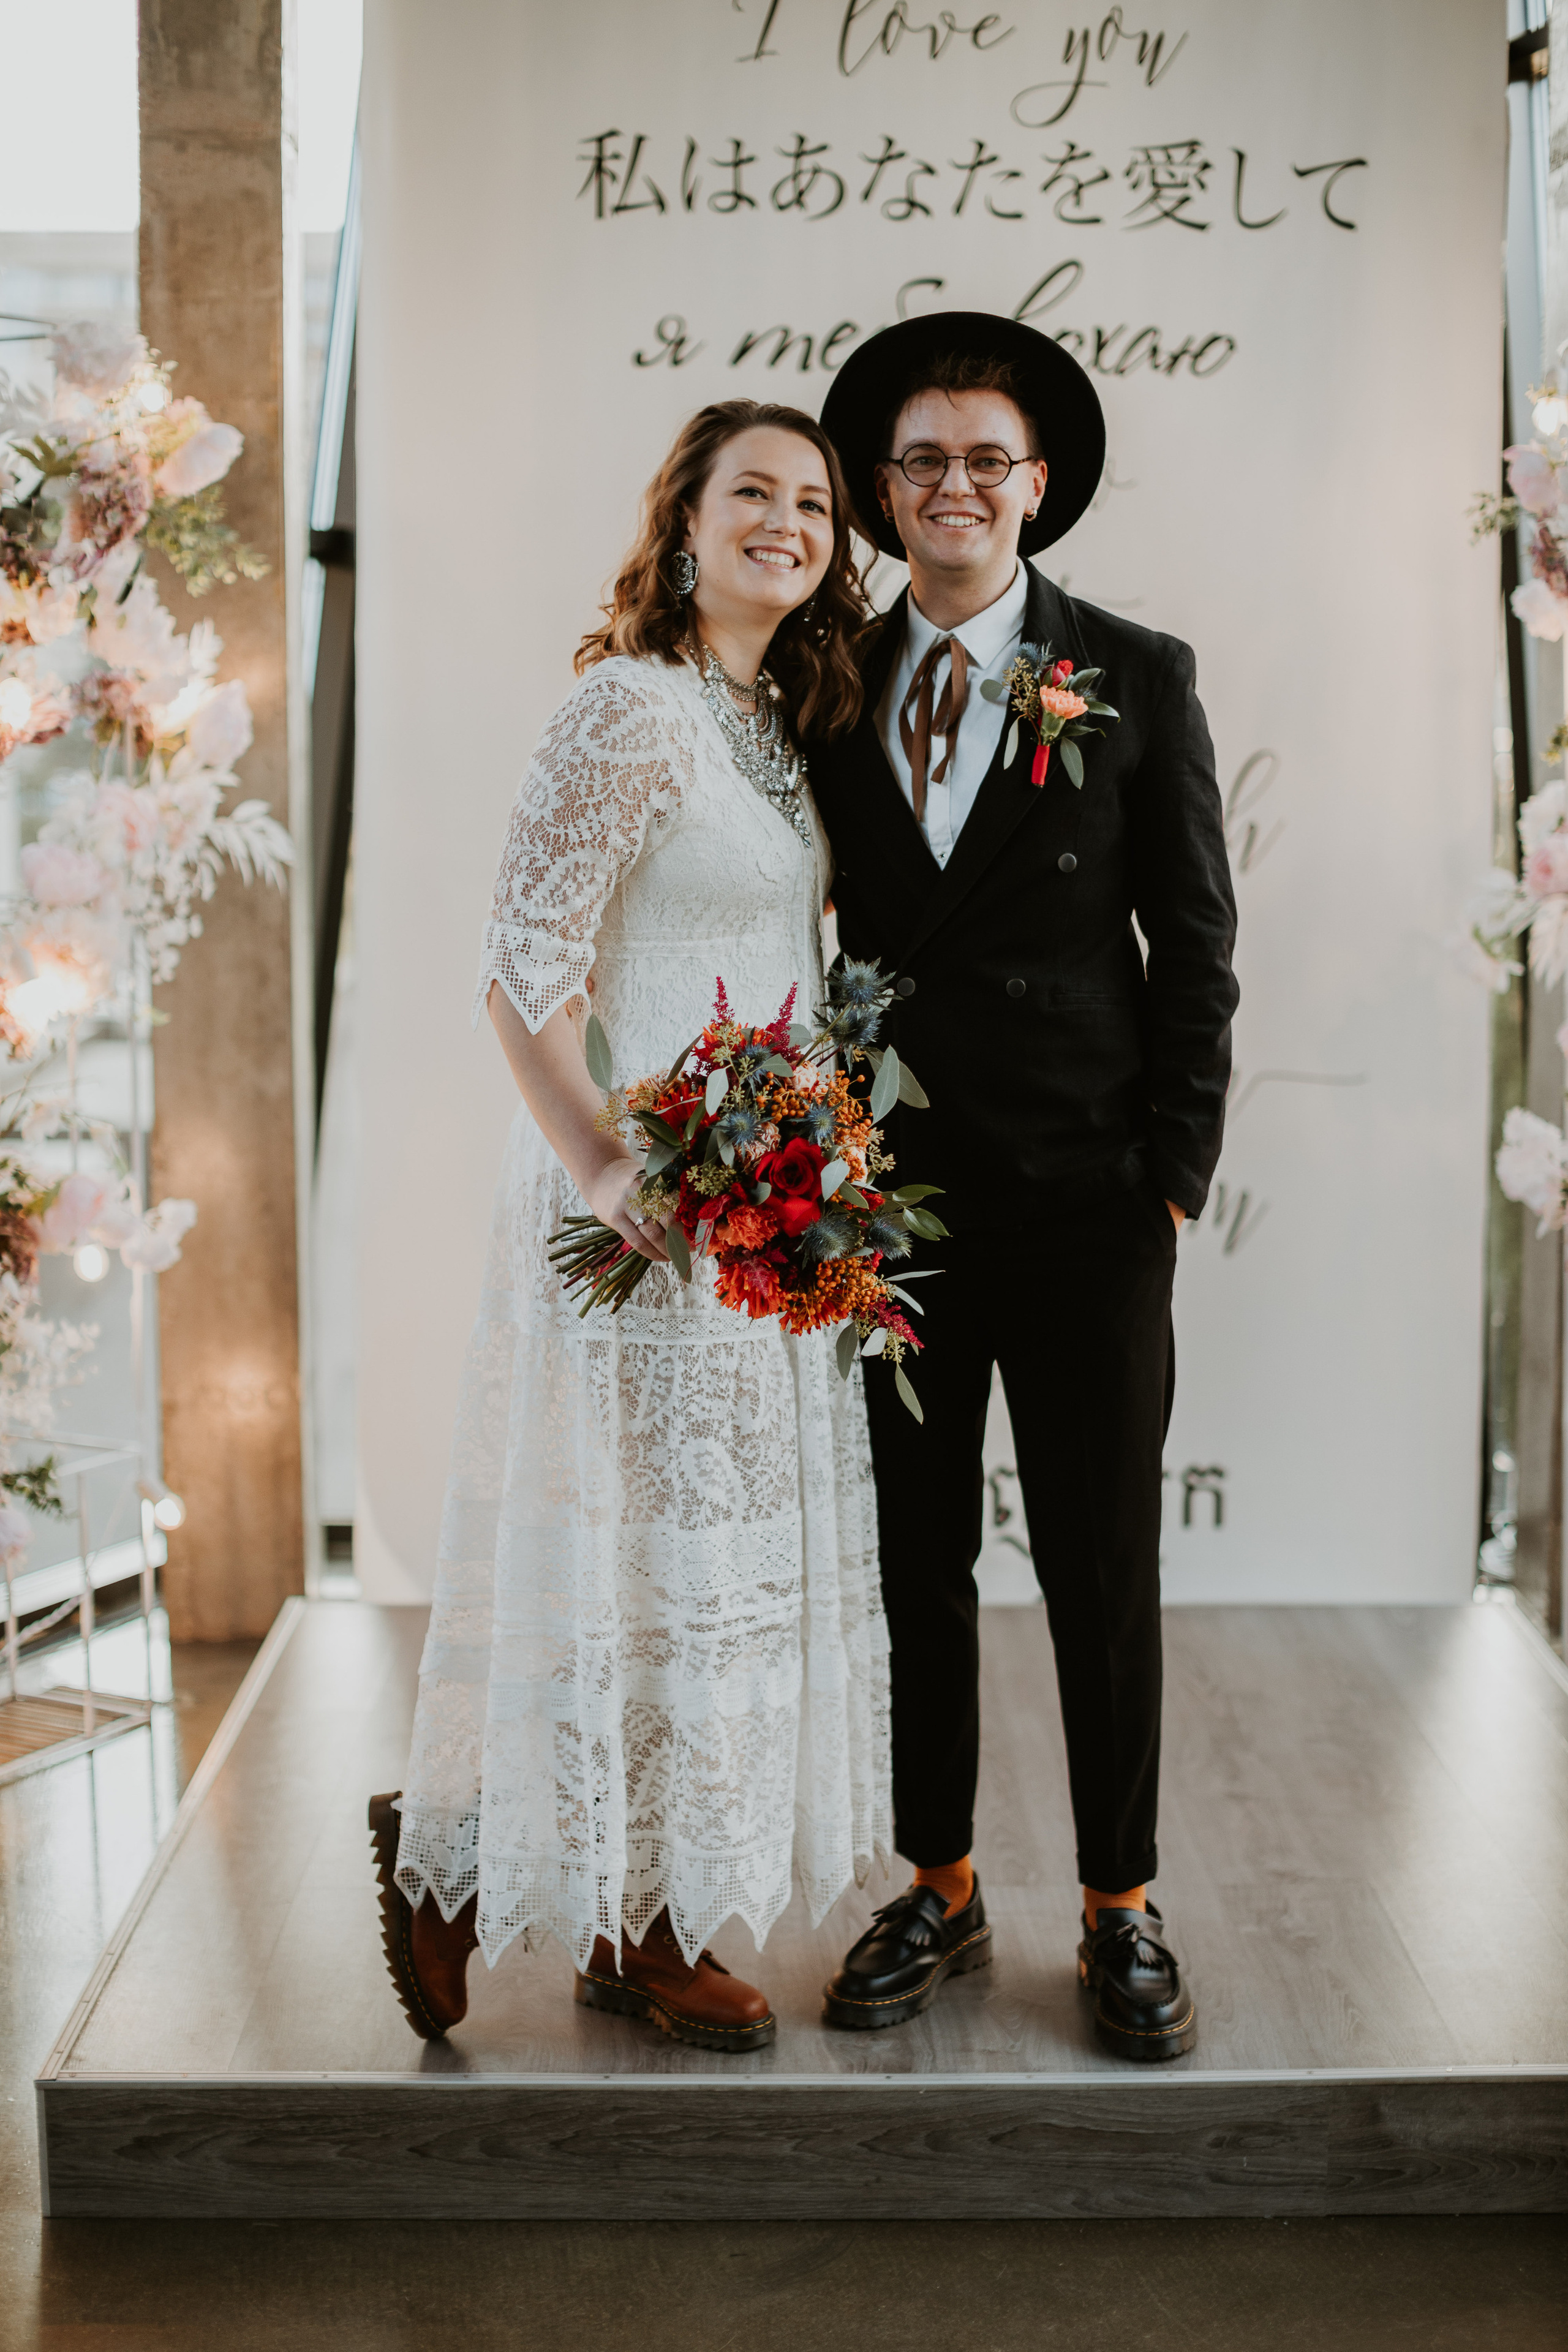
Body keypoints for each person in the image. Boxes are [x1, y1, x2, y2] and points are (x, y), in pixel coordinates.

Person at [369, 401, 891, 2052]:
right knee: (637, 1566)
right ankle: (510, 1884)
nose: (788, 522)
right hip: (640, 1217)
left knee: (694, 1575)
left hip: (757, 1221)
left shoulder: (770, 730)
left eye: (814, 503)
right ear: (683, 522)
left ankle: (594, 1907)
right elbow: (524, 969)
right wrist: (608, 1171)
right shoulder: (628, 708)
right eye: (755, 492)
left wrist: (808, 1173)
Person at [808, 314, 1238, 2061]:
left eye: (987, 458)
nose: (956, 485)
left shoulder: (1136, 668)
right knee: (915, 1564)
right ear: (881, 492)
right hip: (886, 1209)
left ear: (1036, 486)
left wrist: (1173, 1181)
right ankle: (943, 1878)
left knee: (1097, 1563)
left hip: (1083, 1205)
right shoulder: (819, 680)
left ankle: (1122, 1906)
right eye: (922, 459)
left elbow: (1195, 940)